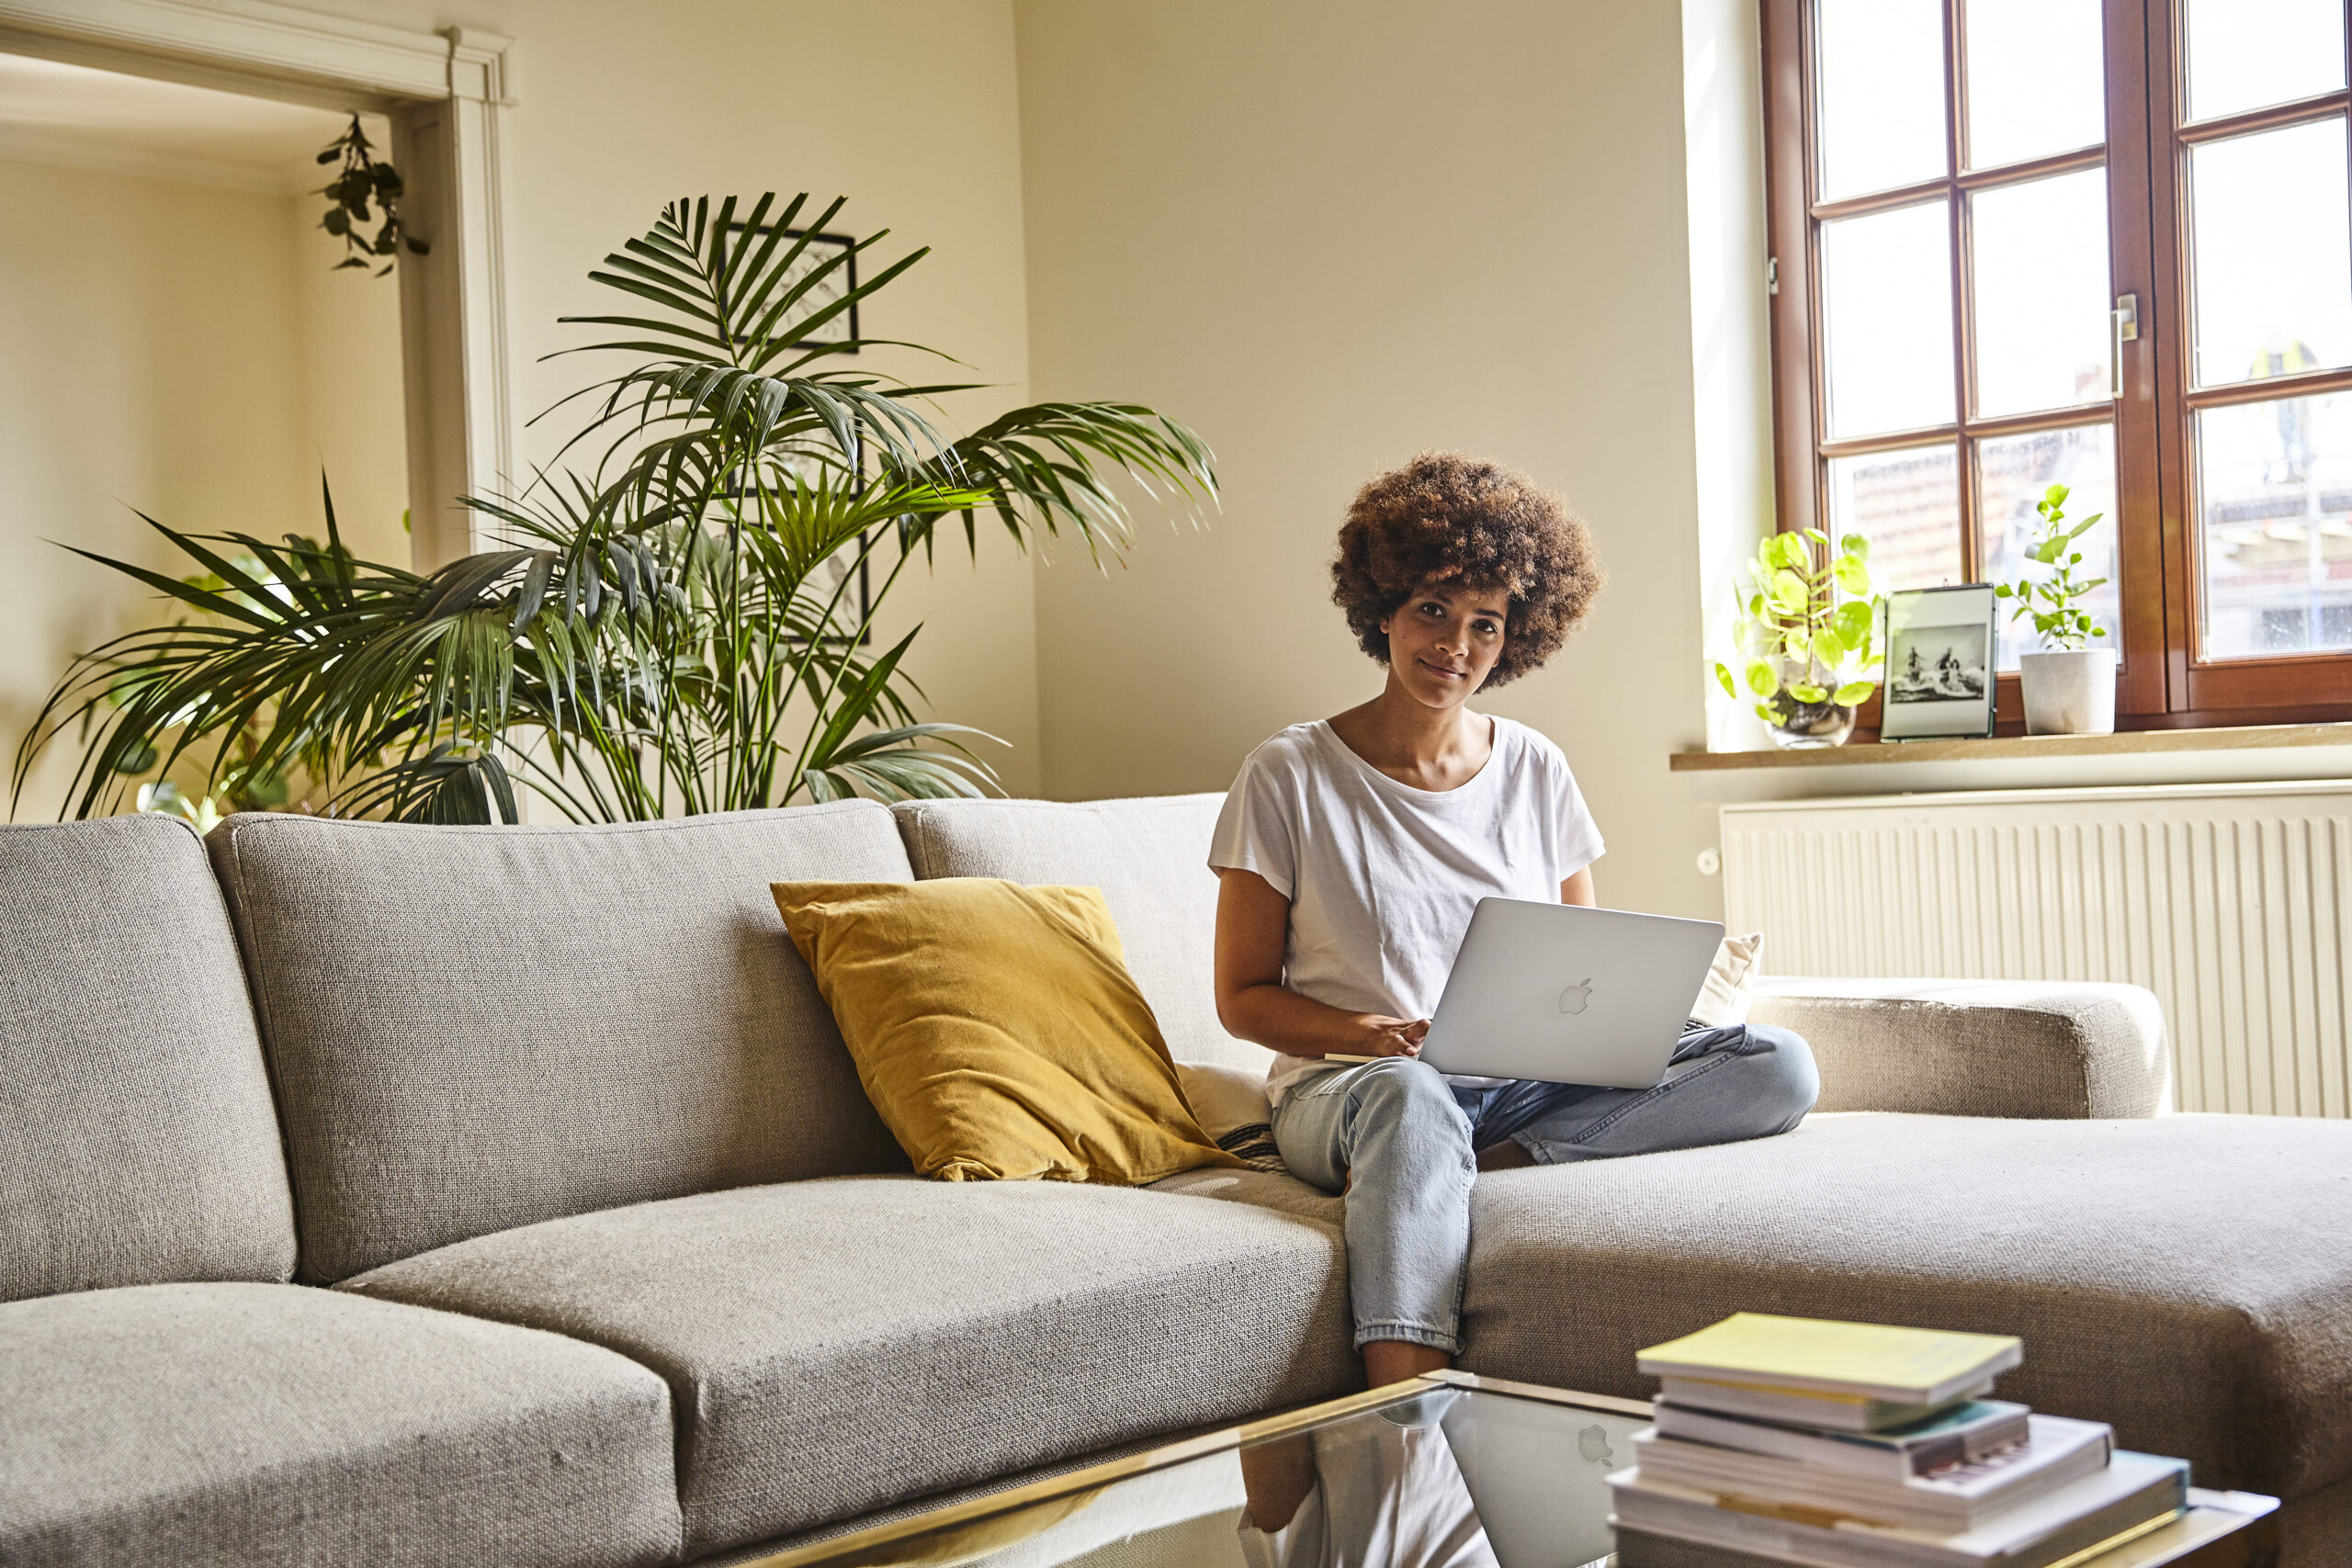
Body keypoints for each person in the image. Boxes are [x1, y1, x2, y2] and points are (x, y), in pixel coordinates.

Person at [1207, 451, 1819, 1390]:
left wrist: (1610, 1035)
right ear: (1381, 609)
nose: (1455, 643)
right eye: (1432, 610)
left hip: (1515, 1092)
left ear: (1518, 636)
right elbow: (1242, 999)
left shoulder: (1535, 767)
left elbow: (1585, 964)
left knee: (1775, 1064)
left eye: (1485, 623)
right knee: (1410, 1101)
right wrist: (1361, 1034)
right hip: (1355, 1090)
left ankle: (1477, 1162)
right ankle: (1404, 1403)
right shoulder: (1288, 774)